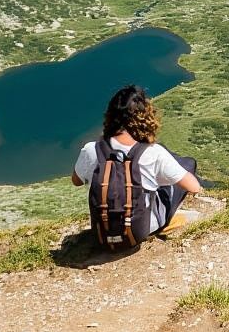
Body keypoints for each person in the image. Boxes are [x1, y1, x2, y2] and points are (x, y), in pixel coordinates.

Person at [71, 85, 202, 239]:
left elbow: (76, 181)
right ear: (144, 118)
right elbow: (194, 187)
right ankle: (162, 222)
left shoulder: (91, 149)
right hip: (141, 230)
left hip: (102, 232)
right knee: (187, 164)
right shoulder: (153, 153)